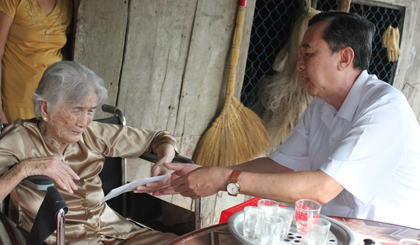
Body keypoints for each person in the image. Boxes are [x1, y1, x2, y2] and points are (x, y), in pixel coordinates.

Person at [140, 11, 420, 229]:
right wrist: (207, 170)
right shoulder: (320, 105)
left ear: (345, 58)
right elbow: (280, 164)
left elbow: (321, 188)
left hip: (384, 237)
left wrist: (225, 179)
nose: (299, 63)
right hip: (333, 231)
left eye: (309, 53)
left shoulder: (384, 108)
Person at [0, 61, 178, 244]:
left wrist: (164, 160)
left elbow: (158, 138)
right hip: (61, 238)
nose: (84, 122)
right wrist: (24, 168)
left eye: (90, 111)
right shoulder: (19, 139)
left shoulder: (93, 132)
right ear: (46, 108)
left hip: (113, 231)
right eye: (77, 110)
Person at [0, 0, 72, 124]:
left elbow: (65, 51)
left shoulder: (67, 3)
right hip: (18, 97)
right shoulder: (13, 2)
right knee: (19, 141)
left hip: (54, 98)